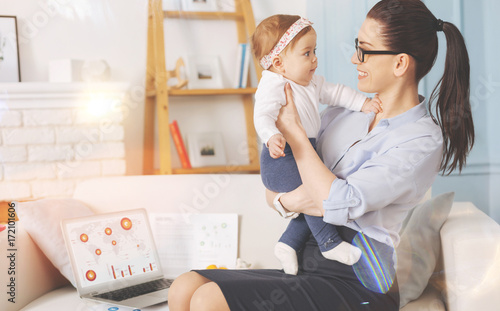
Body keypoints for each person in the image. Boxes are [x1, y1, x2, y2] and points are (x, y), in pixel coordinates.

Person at [168, 1, 475, 310]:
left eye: (365, 50)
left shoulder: (421, 138)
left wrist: (295, 134)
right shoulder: (343, 113)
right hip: (307, 260)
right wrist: (288, 200)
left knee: (209, 300)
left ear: (400, 64)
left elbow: (343, 201)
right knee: (185, 286)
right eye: (358, 46)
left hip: (358, 280)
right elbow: (280, 190)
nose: (355, 58)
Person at [252, 14, 383, 274]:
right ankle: (329, 242)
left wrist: (364, 103)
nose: (314, 59)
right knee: (314, 194)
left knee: (308, 200)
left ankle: (288, 243)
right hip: (282, 154)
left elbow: (336, 92)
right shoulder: (274, 83)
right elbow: (262, 115)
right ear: (279, 63)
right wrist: (271, 136)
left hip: (303, 149)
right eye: (306, 53)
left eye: (315, 51)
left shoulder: (309, 82)